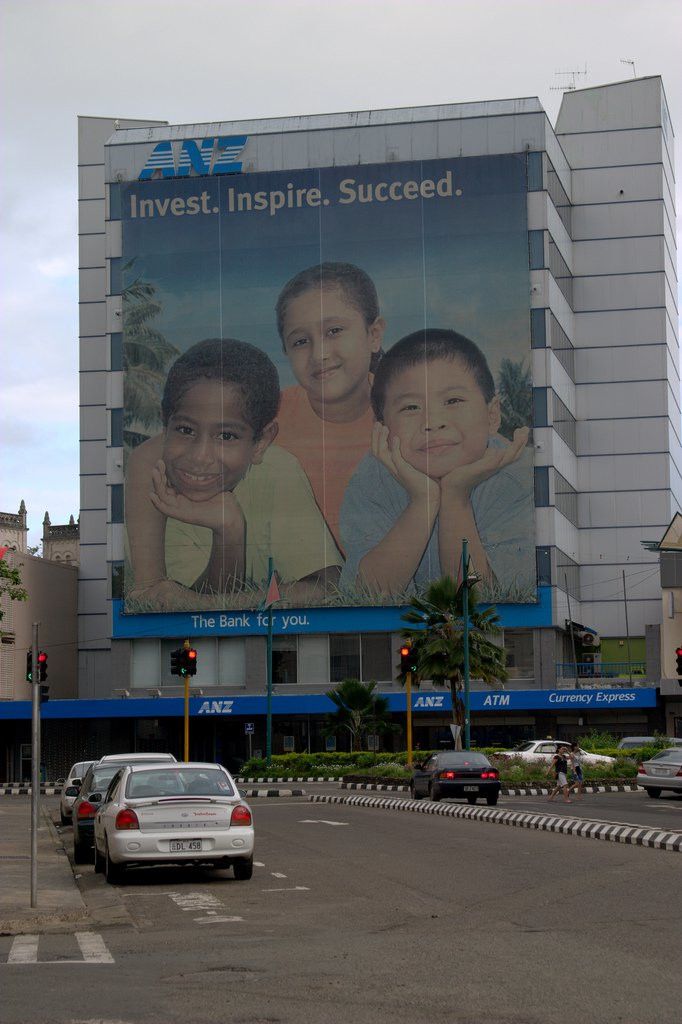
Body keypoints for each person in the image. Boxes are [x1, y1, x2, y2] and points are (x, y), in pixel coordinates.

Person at [124, 338, 342, 611]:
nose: (200, 456)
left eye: (226, 436)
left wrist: (198, 601)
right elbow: (154, 598)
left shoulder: (278, 471)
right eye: (185, 430)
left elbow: (326, 586)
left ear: (261, 443)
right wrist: (228, 533)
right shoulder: (152, 473)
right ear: (165, 425)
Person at [339, 328, 534, 599]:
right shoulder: (373, 478)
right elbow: (366, 595)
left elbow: (477, 601)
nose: (432, 423)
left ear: (492, 416)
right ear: (382, 428)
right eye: (410, 407)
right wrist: (424, 500)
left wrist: (456, 496)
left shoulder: (522, 476)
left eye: (453, 401)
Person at [274, 262, 385, 550]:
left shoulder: (414, 408)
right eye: (300, 341)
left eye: (334, 330)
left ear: (373, 335)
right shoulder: (267, 416)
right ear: (286, 351)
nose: (319, 354)